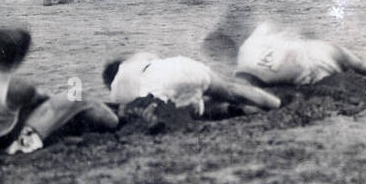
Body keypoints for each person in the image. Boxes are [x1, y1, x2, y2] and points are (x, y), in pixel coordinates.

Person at [0, 26, 118, 154]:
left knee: (20, 107)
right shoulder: (17, 88)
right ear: (20, 57)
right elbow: (44, 100)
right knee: (77, 98)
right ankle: (117, 123)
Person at [203, 19, 366, 87]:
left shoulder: (248, 58)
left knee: (362, 67)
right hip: (318, 54)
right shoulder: (256, 38)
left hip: (313, 66)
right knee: (364, 65)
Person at [103, 52, 280, 116]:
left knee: (195, 109)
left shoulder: (115, 91)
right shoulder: (135, 60)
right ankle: (278, 105)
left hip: (158, 87)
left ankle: (233, 110)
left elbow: (126, 111)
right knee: (232, 90)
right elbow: (156, 59)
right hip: (179, 66)